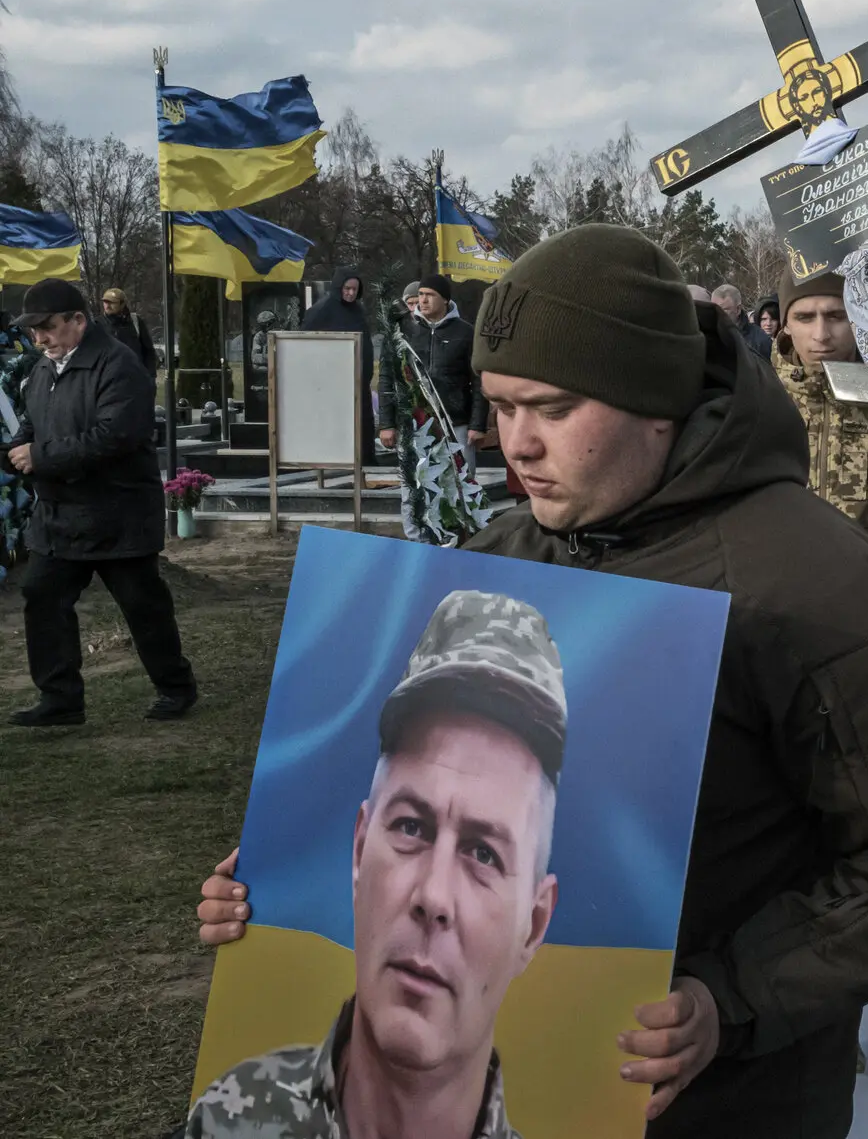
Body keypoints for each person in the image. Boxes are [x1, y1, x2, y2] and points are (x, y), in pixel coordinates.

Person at [201, 224, 868, 1138]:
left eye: (553, 408)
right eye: (500, 407)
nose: (517, 445)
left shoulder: (816, 586)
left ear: (656, 403)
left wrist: (726, 998)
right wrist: (263, 890)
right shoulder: (498, 560)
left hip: (727, 1107)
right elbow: (379, 797)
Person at [187, 590, 566, 1139]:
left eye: (484, 854)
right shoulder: (228, 1117)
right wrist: (250, 897)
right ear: (360, 851)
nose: (433, 898)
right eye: (411, 827)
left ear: (532, 926)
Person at [7, 278, 197, 726]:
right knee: (42, 595)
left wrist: (40, 456)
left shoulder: (119, 365)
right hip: (59, 515)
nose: (39, 339)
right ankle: (60, 699)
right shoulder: (41, 370)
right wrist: (16, 450)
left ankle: (175, 687)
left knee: (142, 604)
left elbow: (114, 437)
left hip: (118, 512)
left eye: (48, 328)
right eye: (33, 330)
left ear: (78, 320)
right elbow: (34, 426)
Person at [772, 265, 868, 531]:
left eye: (836, 316)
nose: (821, 334)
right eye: (804, 317)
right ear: (786, 324)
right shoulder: (757, 399)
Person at [380, 274, 488, 462]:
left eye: (430, 294)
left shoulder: (466, 333)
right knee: (416, 488)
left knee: (460, 486)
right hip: (413, 424)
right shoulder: (401, 331)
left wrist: (477, 425)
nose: (423, 299)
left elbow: (480, 381)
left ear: (445, 299)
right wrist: (387, 424)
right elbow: (387, 378)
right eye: (421, 294)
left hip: (456, 423)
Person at [303, 266, 375, 456]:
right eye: (347, 288)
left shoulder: (357, 309)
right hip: (333, 381)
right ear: (338, 287)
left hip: (358, 379)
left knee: (361, 425)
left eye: (355, 289)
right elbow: (305, 342)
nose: (351, 293)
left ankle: (364, 461)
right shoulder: (323, 309)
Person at [98, 286, 156, 373]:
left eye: (112, 302)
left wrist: (151, 376)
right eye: (105, 302)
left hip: (135, 376)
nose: (107, 305)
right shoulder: (97, 324)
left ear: (122, 304)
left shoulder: (135, 321)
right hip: (109, 378)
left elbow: (148, 351)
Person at [712, 284, 771, 360]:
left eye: (723, 310)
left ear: (738, 309)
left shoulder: (760, 340)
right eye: (713, 309)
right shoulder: (707, 337)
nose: (717, 314)